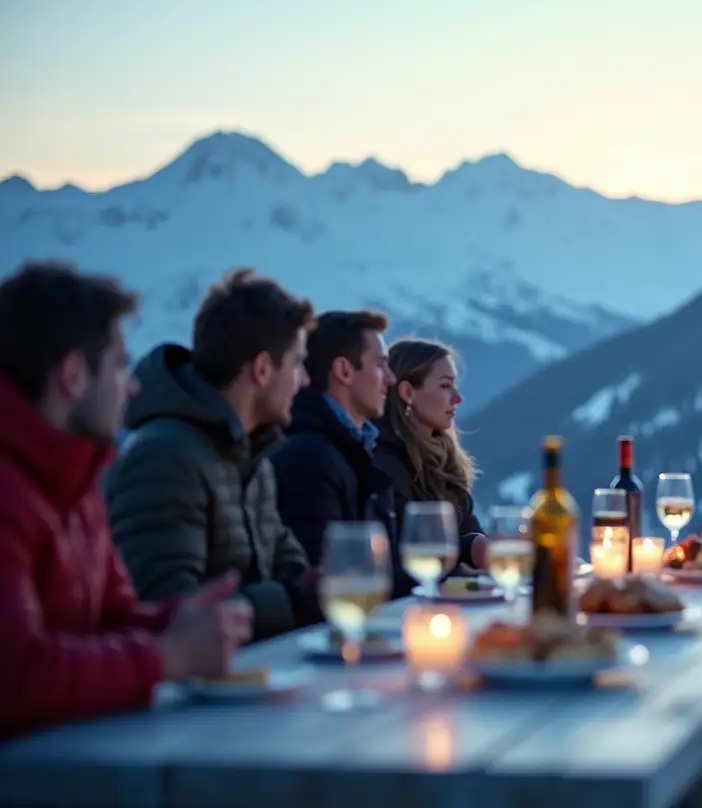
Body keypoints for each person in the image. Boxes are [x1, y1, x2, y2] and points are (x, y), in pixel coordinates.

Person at [0, 262, 252, 739]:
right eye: (119, 367)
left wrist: (180, 619)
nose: (132, 385)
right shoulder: (10, 488)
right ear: (74, 375)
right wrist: (170, 655)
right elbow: (15, 678)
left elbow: (110, 617)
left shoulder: (75, 474)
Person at [105, 269, 321, 642]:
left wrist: (310, 588)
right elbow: (168, 611)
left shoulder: (253, 458)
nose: (303, 380)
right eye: (297, 363)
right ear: (262, 369)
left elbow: (292, 573)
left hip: (251, 676)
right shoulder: (164, 457)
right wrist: (296, 598)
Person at [269, 310, 409, 596]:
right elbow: (333, 578)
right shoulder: (308, 459)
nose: (391, 379)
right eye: (381, 365)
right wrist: (442, 578)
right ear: (344, 371)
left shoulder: (355, 451)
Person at [373, 338, 489, 573]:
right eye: (446, 386)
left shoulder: (443, 462)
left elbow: (466, 533)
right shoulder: (384, 465)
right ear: (407, 392)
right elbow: (407, 557)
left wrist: (478, 544)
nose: (458, 398)